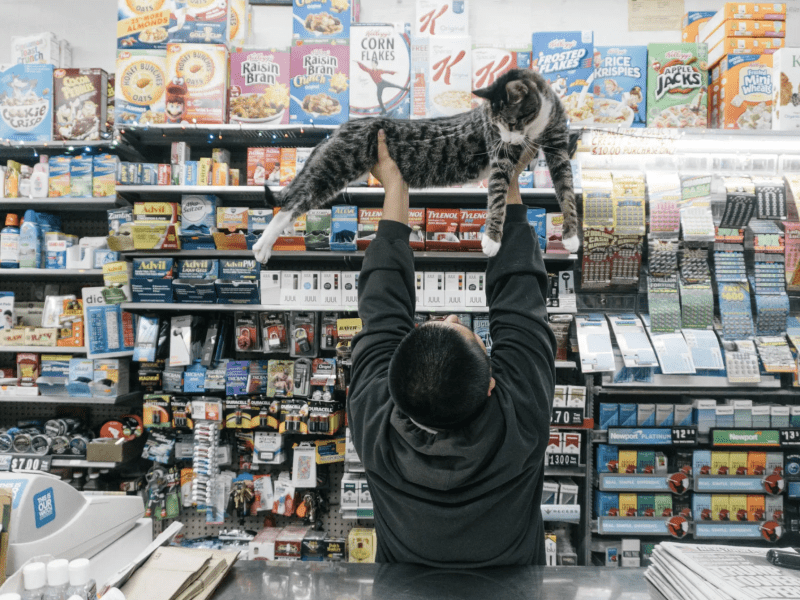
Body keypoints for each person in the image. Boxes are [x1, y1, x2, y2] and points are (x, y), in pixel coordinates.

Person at [347, 130, 556, 567]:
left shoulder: (376, 426)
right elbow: (519, 300)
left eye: (445, 324)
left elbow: (382, 310)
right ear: (491, 386)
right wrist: (505, 181)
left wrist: (396, 186)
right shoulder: (521, 420)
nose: (454, 318)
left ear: (393, 384)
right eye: (464, 330)